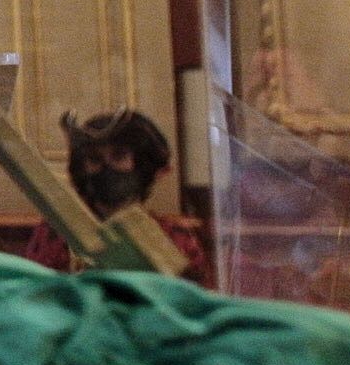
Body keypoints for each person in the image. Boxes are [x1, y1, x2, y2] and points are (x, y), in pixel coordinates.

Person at [24, 108, 211, 285]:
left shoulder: (175, 239)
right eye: (95, 159)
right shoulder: (55, 234)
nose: (107, 168)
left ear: (142, 164)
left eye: (119, 156)